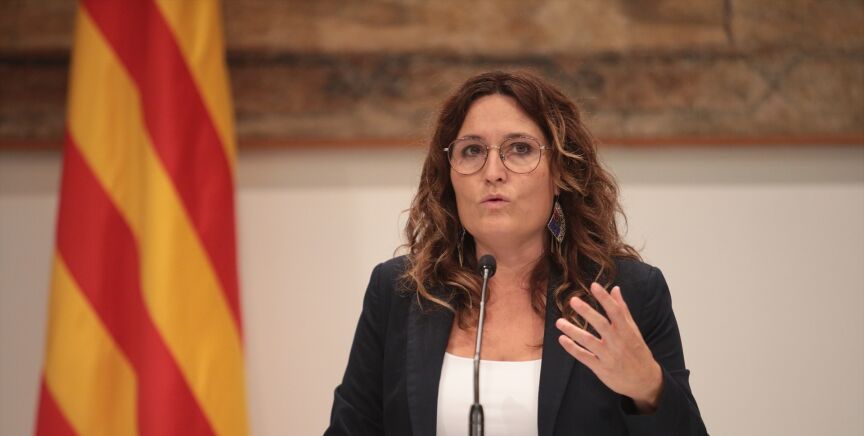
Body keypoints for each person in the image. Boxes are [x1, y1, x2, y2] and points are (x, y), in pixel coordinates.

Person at [325, 71, 708, 435]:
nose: (493, 171)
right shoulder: (399, 291)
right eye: (472, 150)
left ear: (560, 172)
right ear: (450, 173)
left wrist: (648, 388)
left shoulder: (625, 293)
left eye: (520, 149)